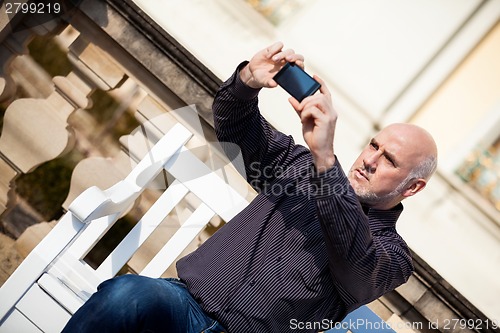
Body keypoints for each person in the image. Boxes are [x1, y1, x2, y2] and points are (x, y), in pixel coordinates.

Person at [62, 42, 438, 333]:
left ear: (413, 187)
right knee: (128, 294)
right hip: (183, 306)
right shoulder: (297, 167)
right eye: (374, 145)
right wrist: (246, 83)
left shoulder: (393, 258)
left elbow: (356, 259)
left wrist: (326, 160)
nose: (370, 159)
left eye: (388, 160)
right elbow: (236, 130)